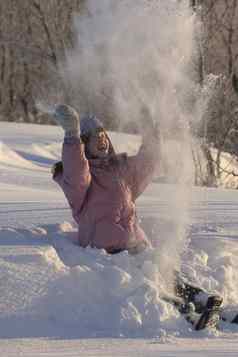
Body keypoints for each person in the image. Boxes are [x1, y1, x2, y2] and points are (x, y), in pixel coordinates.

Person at [51, 104, 160, 255]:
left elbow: (148, 162)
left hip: (136, 246)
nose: (101, 140)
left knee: (166, 274)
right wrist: (72, 136)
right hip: (105, 254)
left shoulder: (121, 169)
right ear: (85, 145)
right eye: (95, 137)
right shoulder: (84, 176)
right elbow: (76, 173)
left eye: (103, 135)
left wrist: (150, 131)